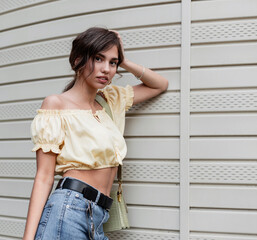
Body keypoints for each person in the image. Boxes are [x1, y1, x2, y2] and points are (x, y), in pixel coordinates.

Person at [22, 27, 168, 240]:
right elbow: (44, 177)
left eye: (112, 62)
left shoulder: (111, 100)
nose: (106, 69)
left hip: (99, 216)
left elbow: (159, 85)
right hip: (68, 210)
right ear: (78, 60)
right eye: (98, 58)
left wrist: (124, 61)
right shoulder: (56, 104)